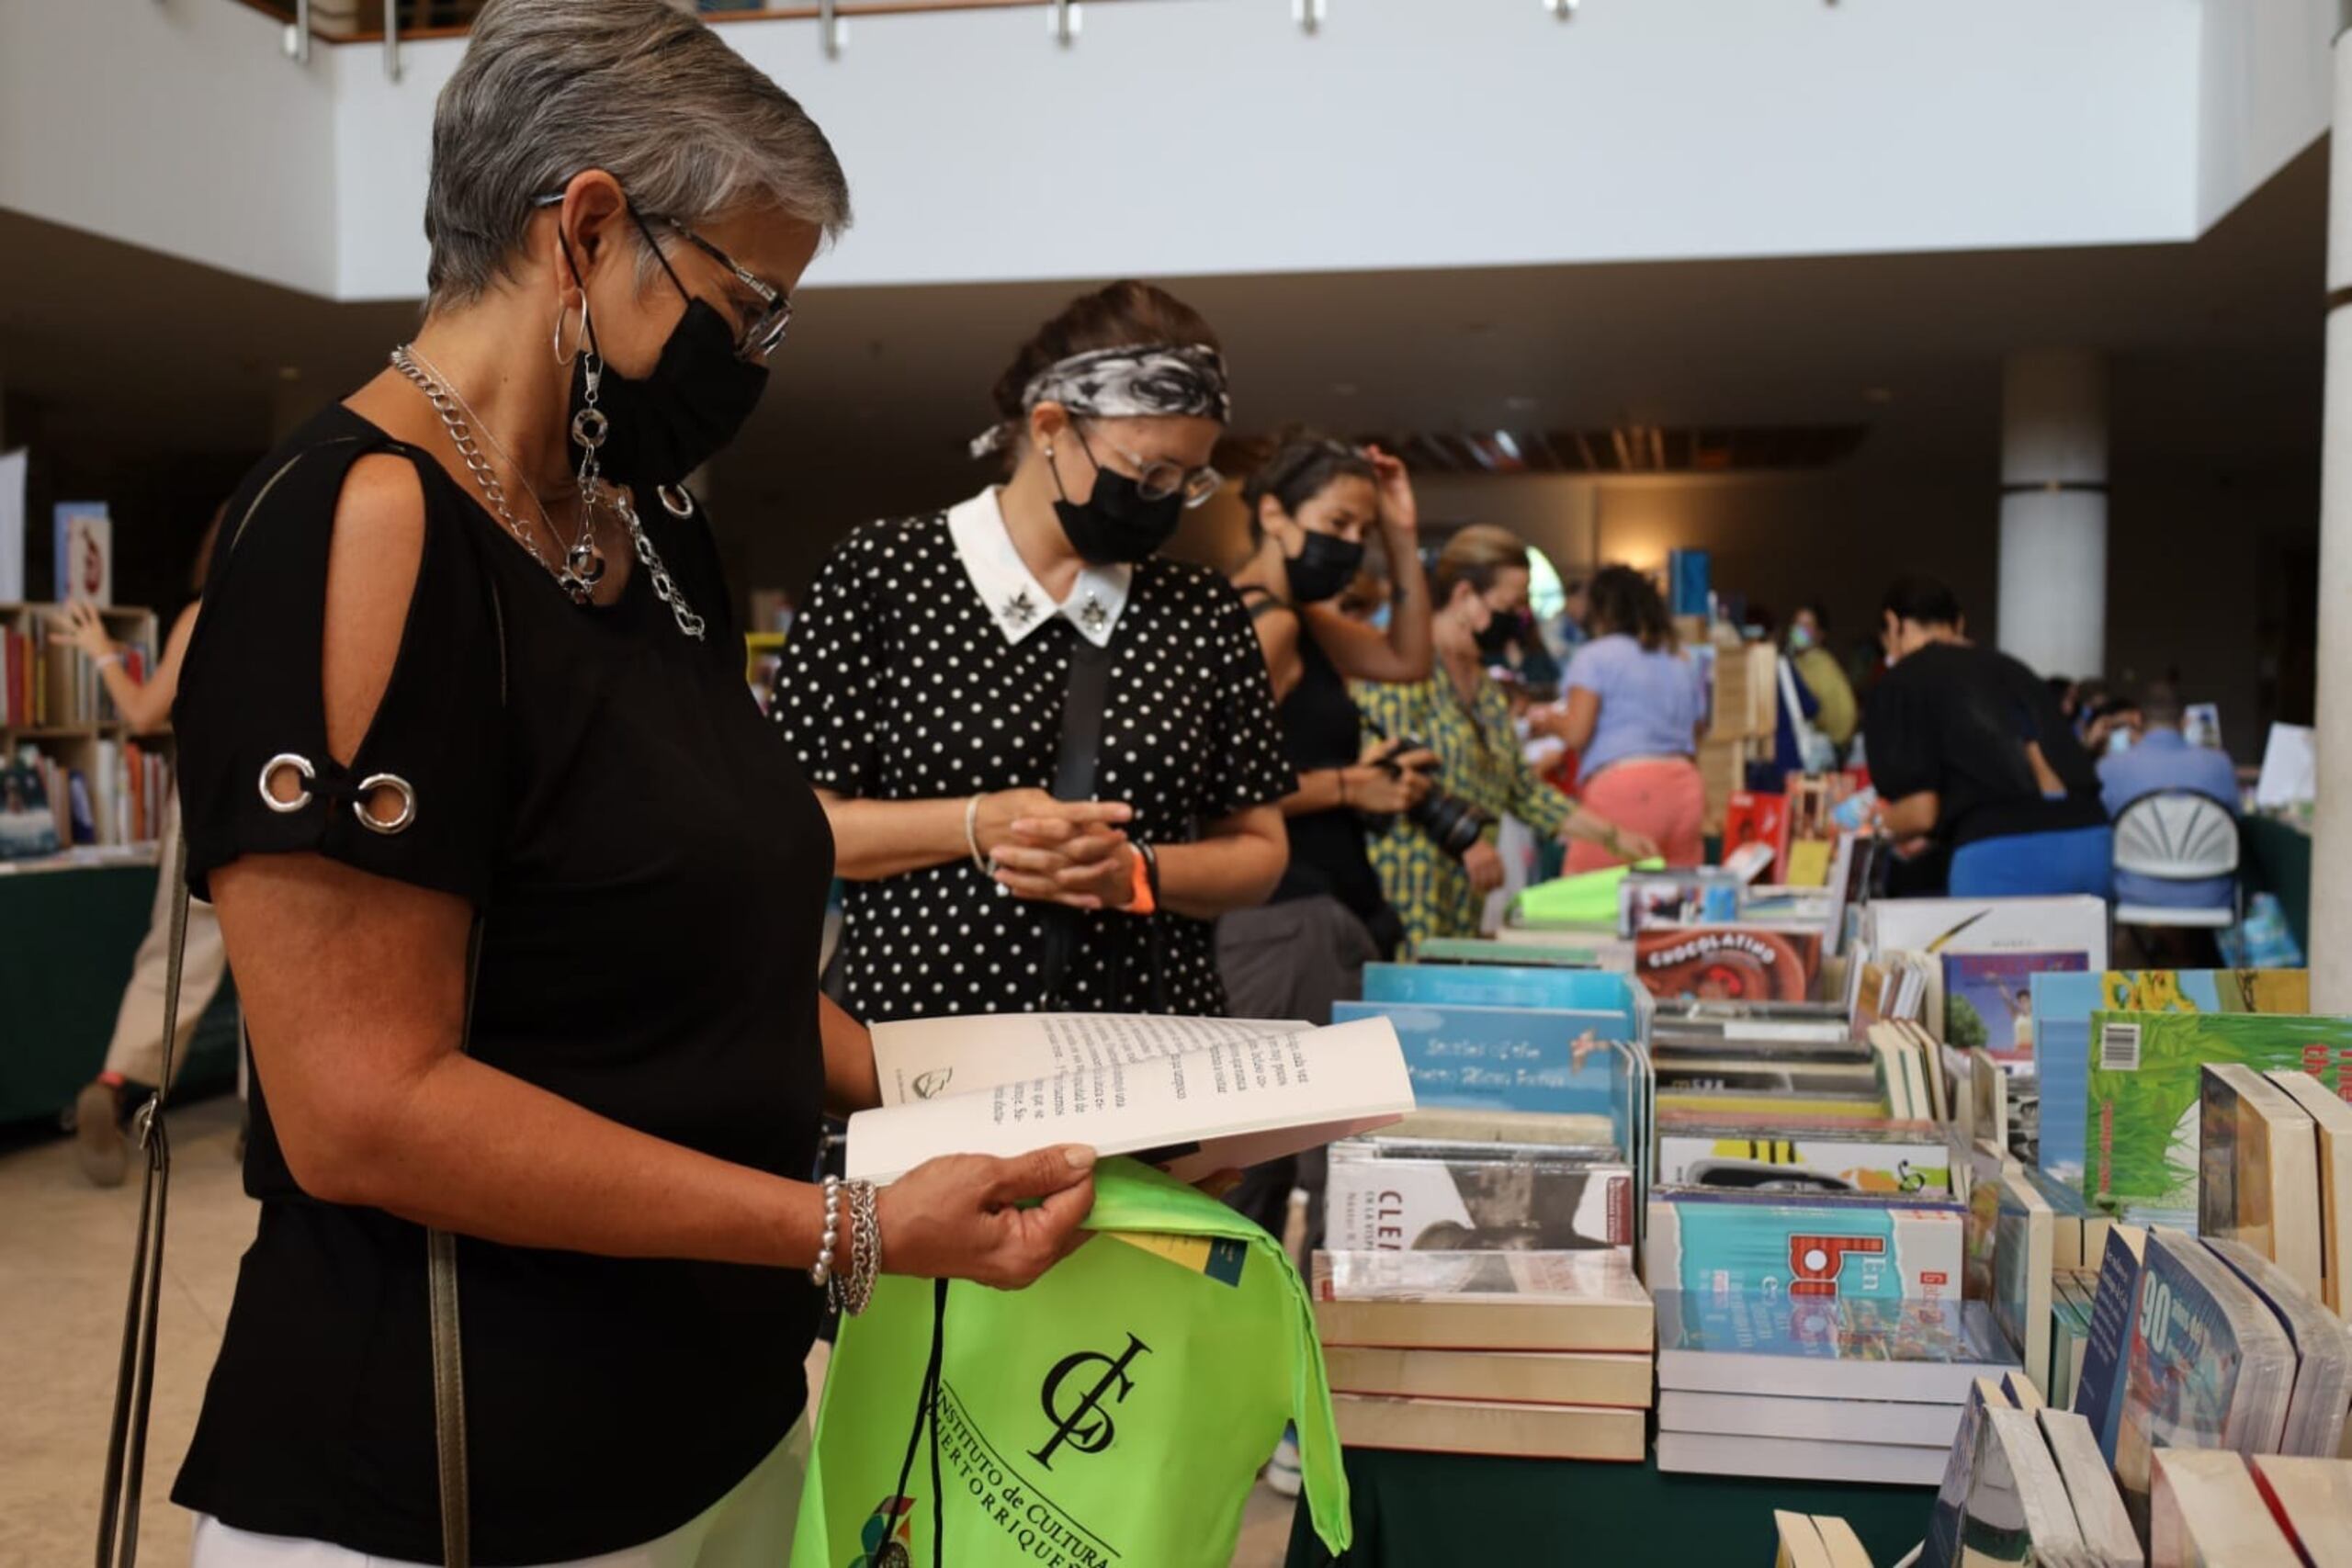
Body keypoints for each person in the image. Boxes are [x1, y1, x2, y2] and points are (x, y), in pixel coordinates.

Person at [164, 6, 1095, 1563]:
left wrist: (954, 1084)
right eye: (752, 302)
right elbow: (361, 1110)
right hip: (463, 1469)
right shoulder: (364, 525)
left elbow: (666, 946)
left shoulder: (646, 531)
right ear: (588, 228)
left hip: (711, 1418)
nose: (763, 357)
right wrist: (845, 1226)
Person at [774, 280, 1294, 1023]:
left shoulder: (1202, 610)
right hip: (917, 1044)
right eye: (1150, 472)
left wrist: (1136, 872)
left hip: (1140, 1046)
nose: (1168, 498)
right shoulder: (883, 572)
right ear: (1050, 425)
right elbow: (799, 825)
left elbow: (1259, 847)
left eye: (1190, 478)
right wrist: (978, 822)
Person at [1355, 526, 1655, 950]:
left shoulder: (1487, 693)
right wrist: (1467, 838)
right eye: (1513, 603)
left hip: (1466, 893)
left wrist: (1612, 836)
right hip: (1409, 884)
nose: (1522, 615)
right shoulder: (1404, 672)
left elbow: (1523, 790)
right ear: (1464, 596)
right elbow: (1388, 769)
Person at [52, 514, 226, 1188]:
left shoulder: (204, 613)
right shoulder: (302, 608)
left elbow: (145, 715)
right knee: (282, 962)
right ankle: (267, 1120)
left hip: (206, 796)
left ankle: (116, 1079)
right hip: (289, 791)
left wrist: (101, 650)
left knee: (176, 954)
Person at [1860, 575, 2111, 898]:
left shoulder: (1902, 682)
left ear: (1893, 624)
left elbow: (1922, 811)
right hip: (2090, 839)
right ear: (1959, 623)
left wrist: (1870, 826)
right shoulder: (2015, 669)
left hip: (2000, 853)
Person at [1551, 564, 1707, 872]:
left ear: (1601, 610)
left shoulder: (1595, 656)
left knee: (1586, 906)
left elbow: (1577, 733)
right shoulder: (1681, 658)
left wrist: (1546, 722)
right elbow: (1698, 729)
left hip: (1625, 790)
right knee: (1674, 907)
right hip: (1685, 788)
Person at [2099, 680, 2240, 912]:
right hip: (2210, 895)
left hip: (2134, 891)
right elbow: (2237, 821)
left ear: (2137, 719)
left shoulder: (2110, 767)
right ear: (2186, 721)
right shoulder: (2220, 764)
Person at [1787, 603, 1859, 750]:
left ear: (1819, 634)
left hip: (1827, 744)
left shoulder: (1823, 665)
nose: (1800, 631)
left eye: (1807, 625)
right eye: (1797, 624)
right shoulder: (1794, 663)